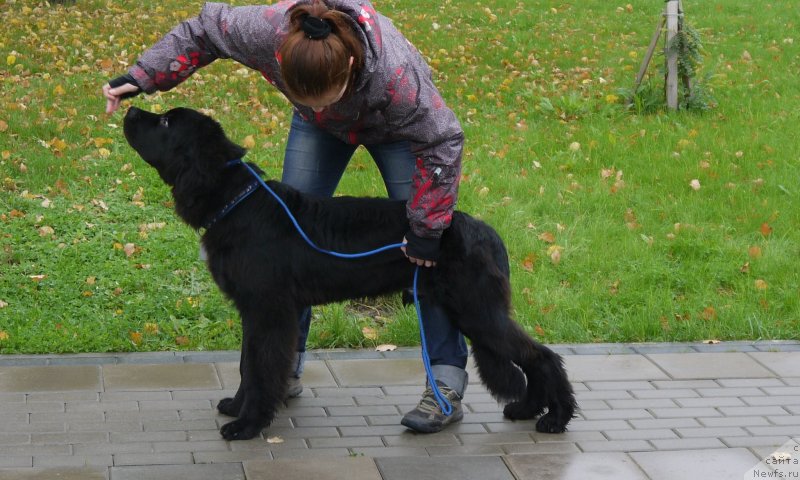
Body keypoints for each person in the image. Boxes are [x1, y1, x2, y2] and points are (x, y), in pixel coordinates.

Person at [103, 0, 468, 433]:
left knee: (429, 251)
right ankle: (277, 376)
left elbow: (442, 141)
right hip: (319, 130)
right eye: (301, 95)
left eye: (323, 97)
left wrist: (427, 228)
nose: (318, 105)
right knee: (282, 247)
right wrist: (142, 76)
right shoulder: (267, 32)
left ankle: (444, 384)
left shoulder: (399, 79)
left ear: (349, 66)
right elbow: (205, 28)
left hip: (397, 130)